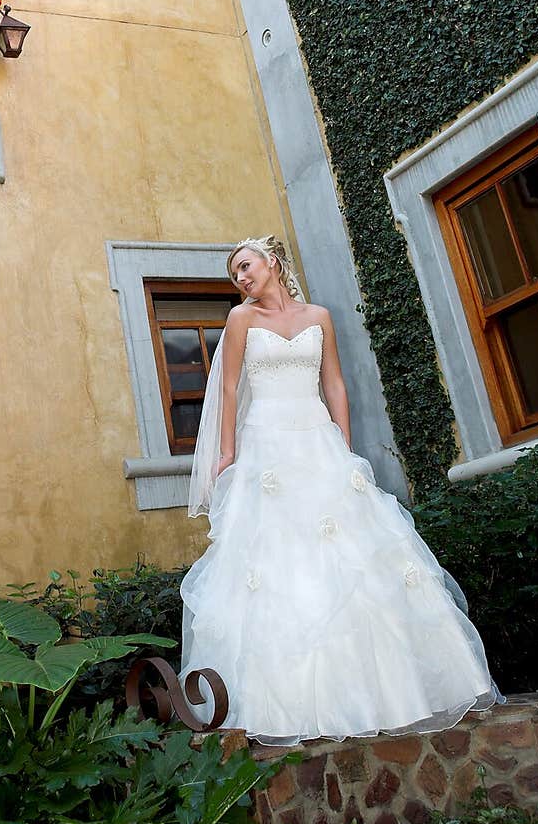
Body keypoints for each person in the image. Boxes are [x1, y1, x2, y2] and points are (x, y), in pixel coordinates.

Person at [179, 235, 504, 745]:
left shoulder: (320, 316)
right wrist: (227, 453)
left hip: (318, 441)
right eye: (234, 275)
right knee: (279, 563)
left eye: (245, 267)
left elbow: (334, 383)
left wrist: (343, 446)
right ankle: (288, 709)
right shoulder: (242, 321)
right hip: (266, 445)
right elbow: (228, 388)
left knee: (358, 563)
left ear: (272, 263)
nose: (241, 279)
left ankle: (398, 697)